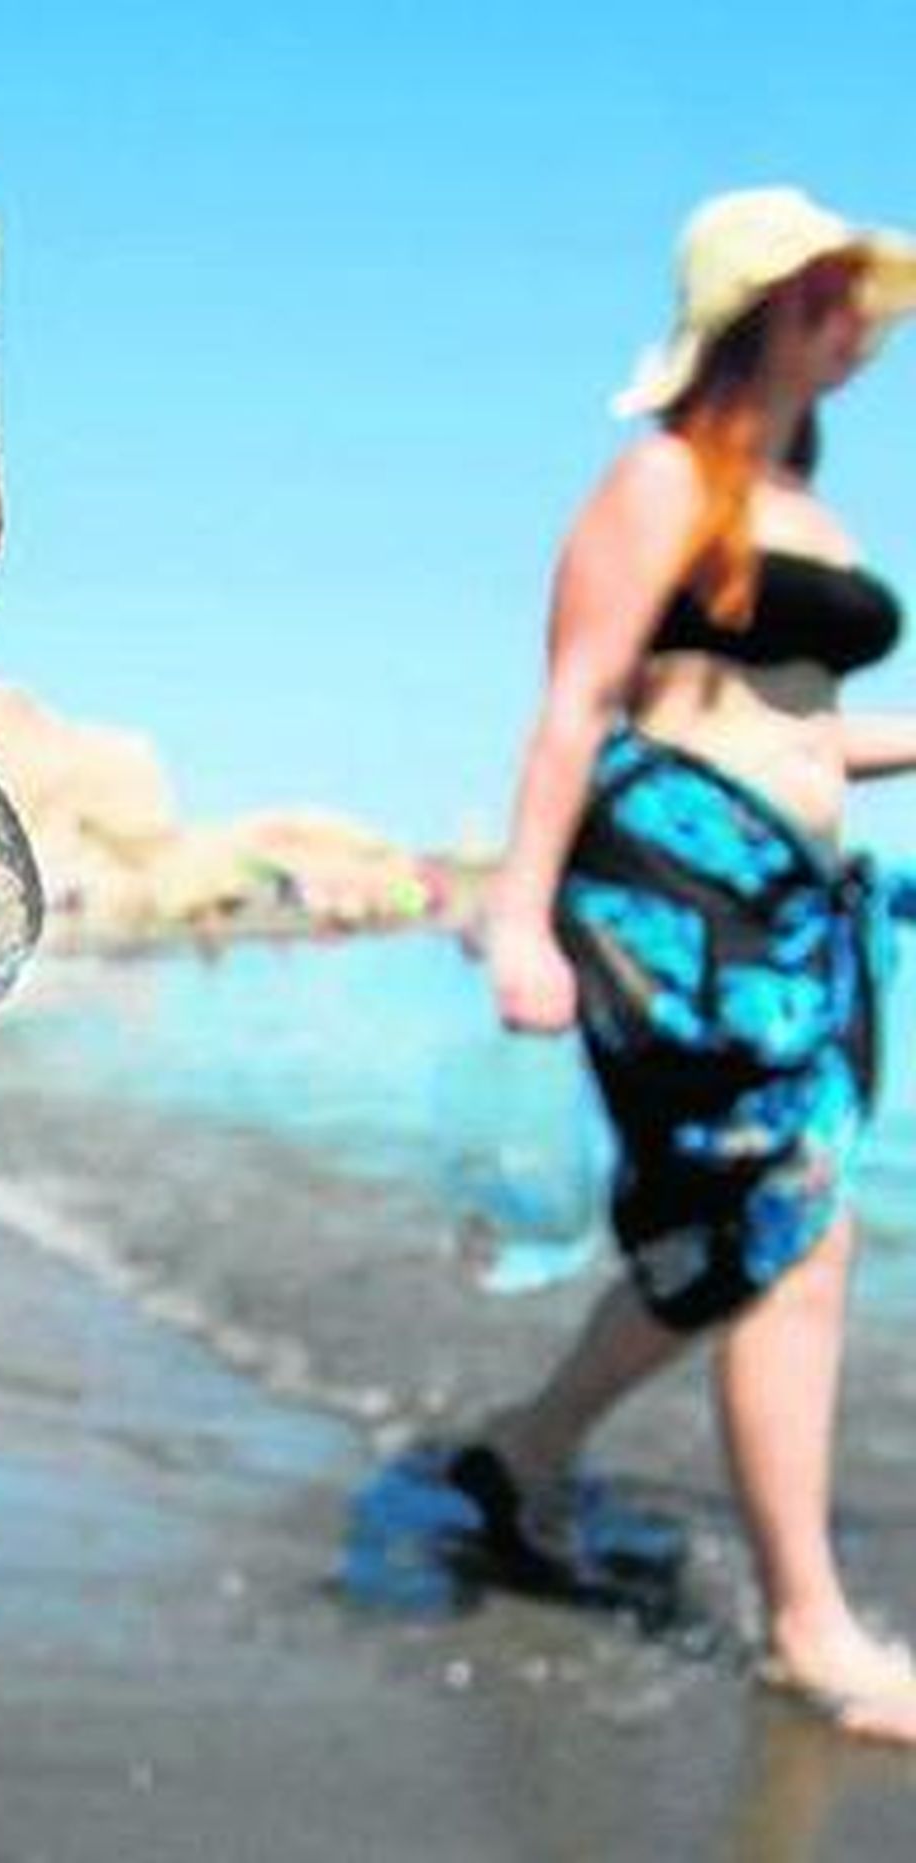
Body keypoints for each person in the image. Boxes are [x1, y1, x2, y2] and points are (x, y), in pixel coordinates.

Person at [476, 187, 916, 1743]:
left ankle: (525, 1450)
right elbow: (578, 701)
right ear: (771, 307)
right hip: (666, 892)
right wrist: (517, 917)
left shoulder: (805, 503)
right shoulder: (661, 480)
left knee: (736, 1226)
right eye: (834, 292)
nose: (861, 317)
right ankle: (809, 1627)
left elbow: (795, 727)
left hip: (789, 894)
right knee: (793, 1230)